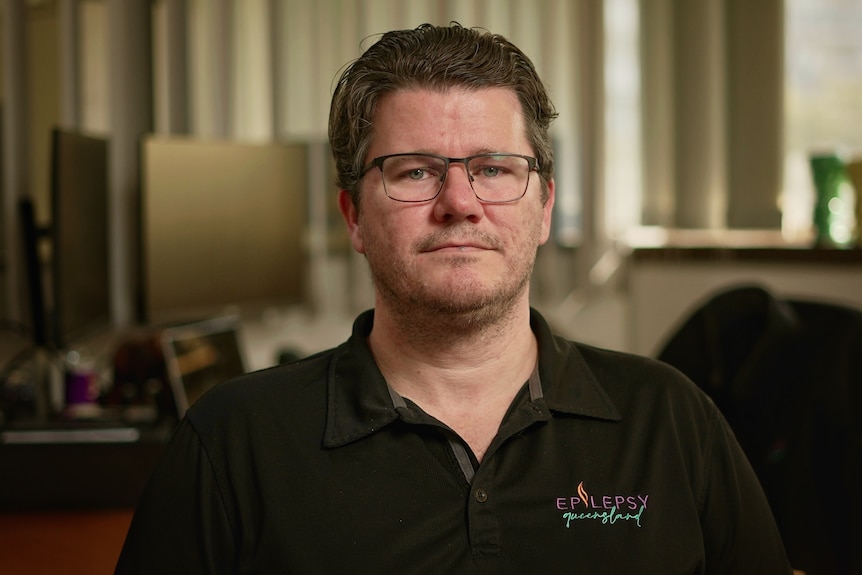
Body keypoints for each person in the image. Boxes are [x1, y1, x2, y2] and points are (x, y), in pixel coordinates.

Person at [115, 23, 793, 574]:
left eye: (494, 168)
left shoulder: (670, 420)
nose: (459, 203)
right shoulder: (232, 442)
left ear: (545, 205)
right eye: (415, 171)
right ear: (352, 215)